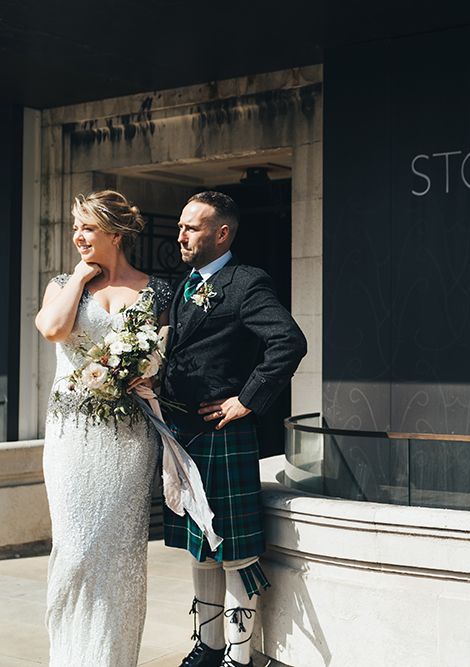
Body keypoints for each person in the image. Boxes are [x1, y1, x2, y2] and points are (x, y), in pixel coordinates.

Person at [162, 191, 306, 667]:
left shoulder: (246, 283)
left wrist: (247, 399)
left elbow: (288, 341)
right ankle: (209, 646)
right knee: (199, 546)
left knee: (234, 551)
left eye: (192, 228)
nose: (180, 235)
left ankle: (239, 658)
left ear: (221, 233)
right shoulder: (184, 287)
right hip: (184, 433)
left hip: (223, 433)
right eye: (181, 226)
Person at [35, 190, 172, 666]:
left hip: (129, 438)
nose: (78, 235)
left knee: (119, 551)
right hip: (71, 436)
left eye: (88, 227)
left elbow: (166, 360)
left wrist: (149, 373)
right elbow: (53, 329)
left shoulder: (155, 290)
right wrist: (78, 278)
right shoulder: (61, 282)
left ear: (115, 232)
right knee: (75, 546)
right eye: (75, 226)